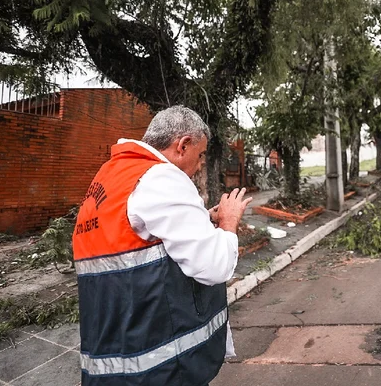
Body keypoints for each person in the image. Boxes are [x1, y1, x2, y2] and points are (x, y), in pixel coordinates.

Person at [73, 105, 252, 385]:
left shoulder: (114, 175)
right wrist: (228, 223)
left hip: (112, 358)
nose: (202, 163)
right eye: (201, 154)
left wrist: (202, 218)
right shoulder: (162, 178)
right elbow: (214, 266)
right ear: (183, 145)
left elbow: (138, 238)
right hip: (160, 365)